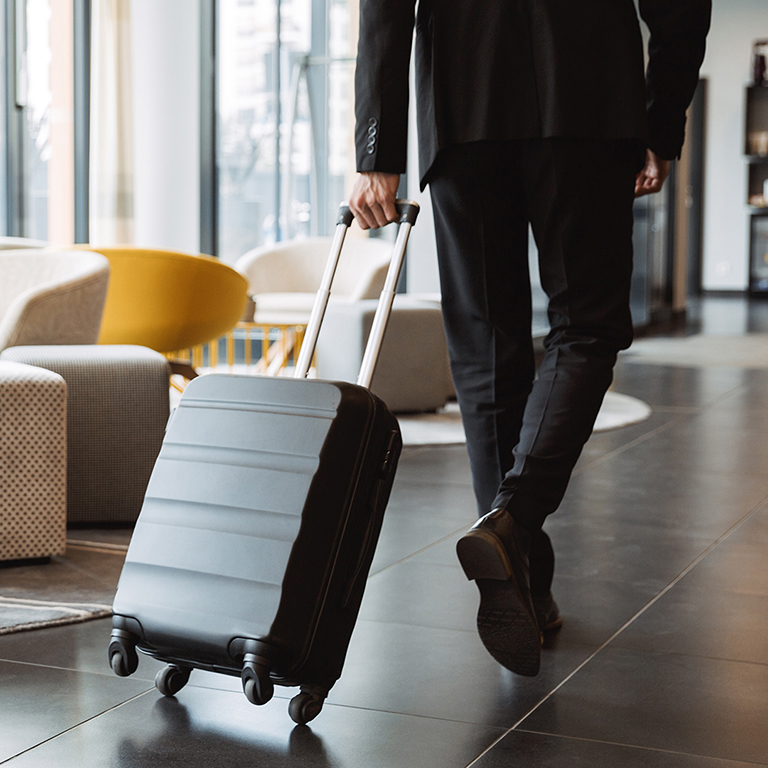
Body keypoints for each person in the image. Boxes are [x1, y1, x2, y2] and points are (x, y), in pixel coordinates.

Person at [349, 0, 711, 677]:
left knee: (486, 345)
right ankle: (514, 521)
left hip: (461, 104)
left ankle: (526, 580)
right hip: (590, 100)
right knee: (587, 327)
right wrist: (660, 123)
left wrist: (378, 148)